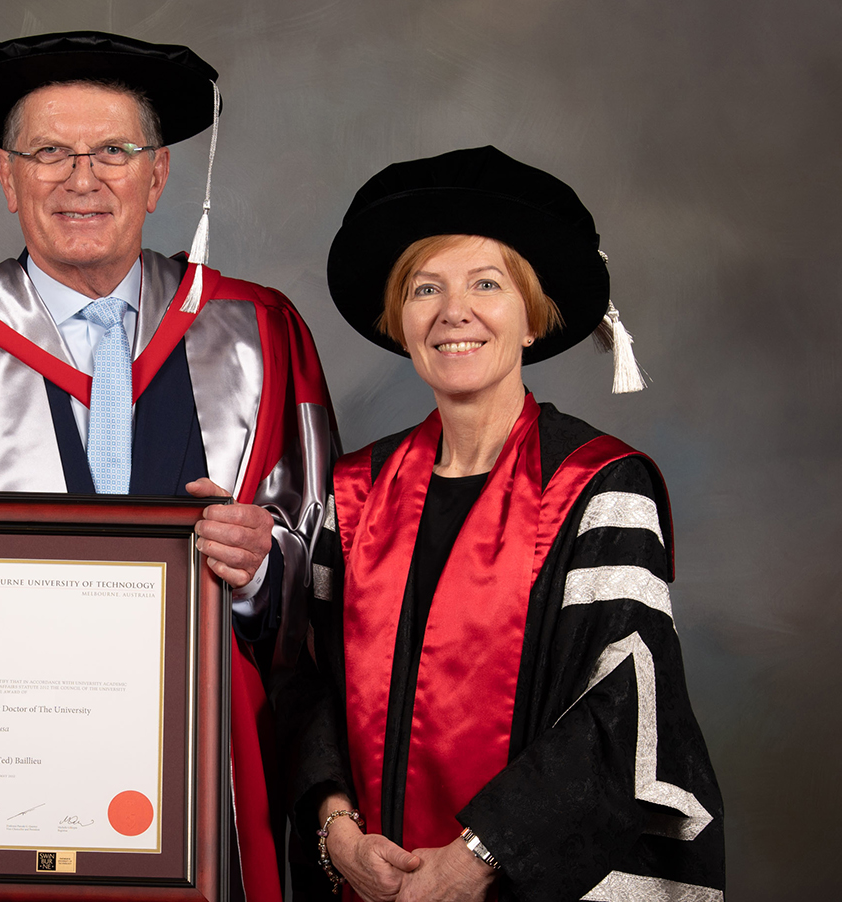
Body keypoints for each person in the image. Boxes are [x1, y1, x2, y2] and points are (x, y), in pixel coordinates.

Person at [0, 31, 337, 902]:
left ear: (158, 174)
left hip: (210, 777)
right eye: (50, 153)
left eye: (113, 151)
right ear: (5, 175)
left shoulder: (256, 334)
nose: (82, 178)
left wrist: (261, 570)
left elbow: (331, 567)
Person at [273, 146, 724, 901]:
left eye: (487, 284)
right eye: (425, 287)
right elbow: (309, 684)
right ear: (401, 318)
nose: (454, 312)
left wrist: (478, 856)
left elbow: (623, 714)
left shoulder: (601, 488)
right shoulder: (355, 494)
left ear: (530, 318)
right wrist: (337, 829)